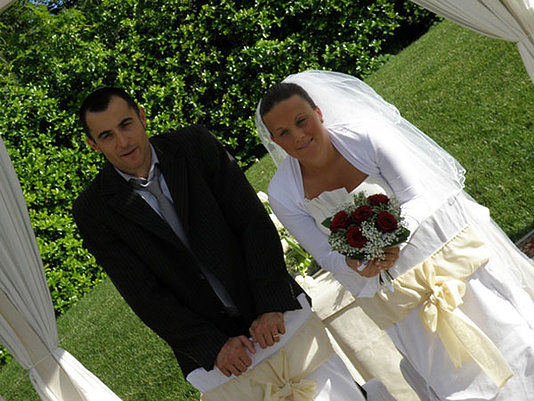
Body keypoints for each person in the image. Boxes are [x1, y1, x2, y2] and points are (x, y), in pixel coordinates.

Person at [72, 87, 369, 400]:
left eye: (126, 124)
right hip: (215, 354)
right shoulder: (94, 210)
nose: (123, 141)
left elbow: (251, 222)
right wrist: (213, 346)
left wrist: (269, 305)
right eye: (106, 135)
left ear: (142, 117)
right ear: (93, 144)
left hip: (275, 315)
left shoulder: (194, 145)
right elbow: (143, 293)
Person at [255, 70, 534, 401]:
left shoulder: (365, 137)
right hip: (389, 292)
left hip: (438, 258)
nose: (298, 136)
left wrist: (393, 241)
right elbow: (325, 254)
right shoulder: (284, 192)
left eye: (302, 121)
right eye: (284, 133)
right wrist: (358, 262)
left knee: (512, 339)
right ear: (274, 141)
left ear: (318, 113)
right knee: (452, 378)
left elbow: (416, 196)